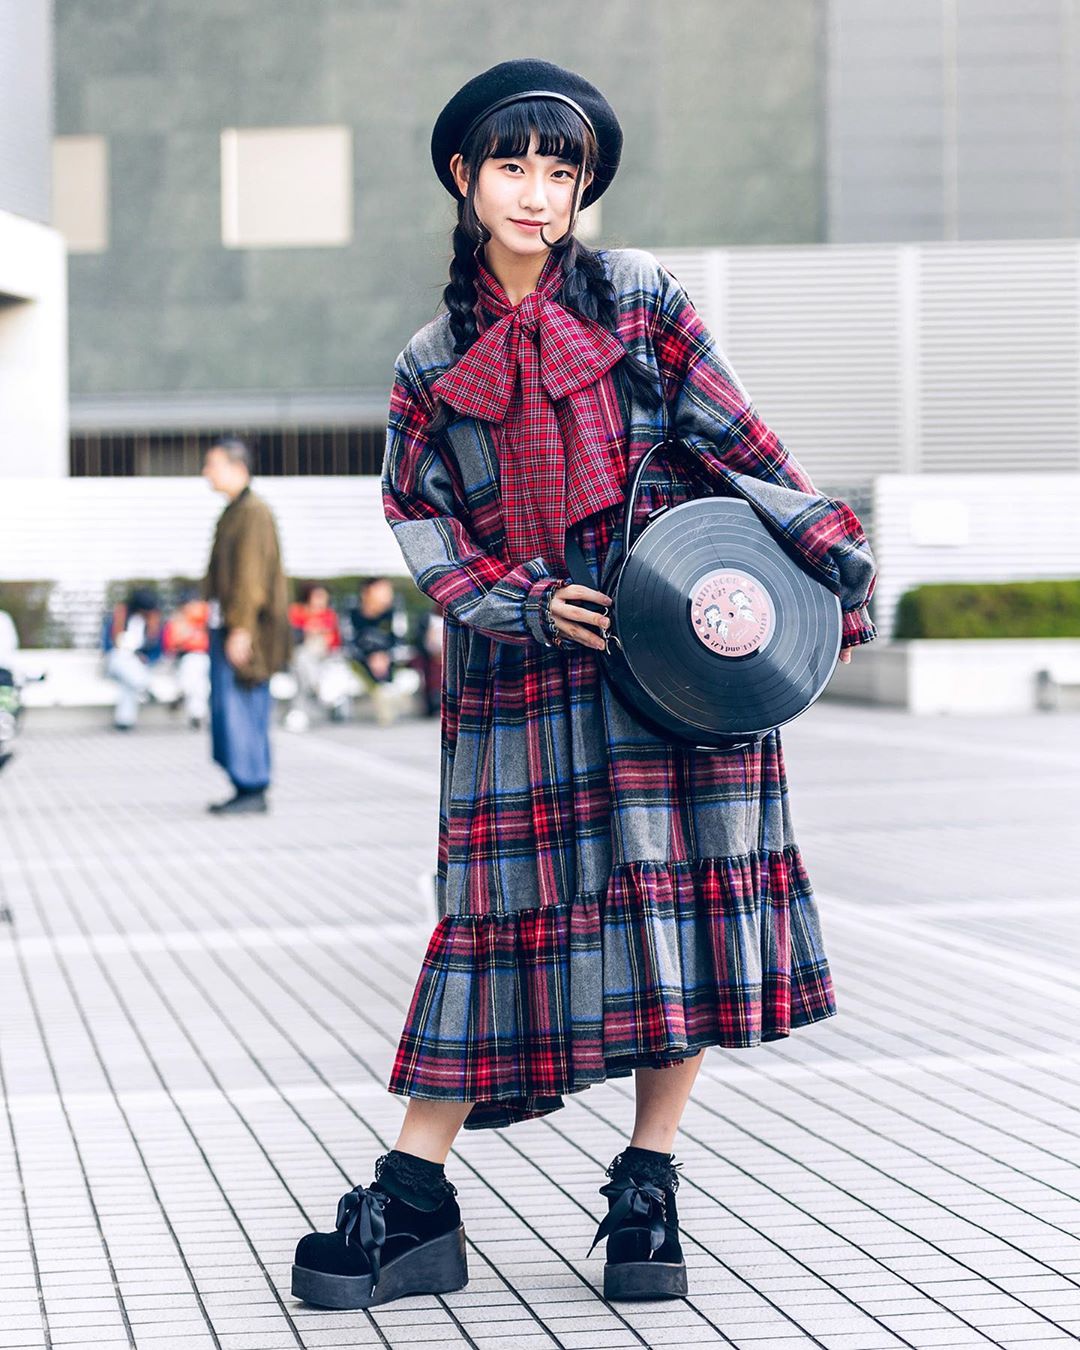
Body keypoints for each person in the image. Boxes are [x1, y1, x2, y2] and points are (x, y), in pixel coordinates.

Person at [292, 59, 878, 1311]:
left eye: (562, 172)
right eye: (513, 165)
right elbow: (419, 514)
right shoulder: (431, 357)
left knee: (680, 915)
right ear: (464, 176)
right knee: (492, 918)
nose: (537, 193)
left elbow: (743, 444)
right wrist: (516, 602)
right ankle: (413, 1202)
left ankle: (648, 1189)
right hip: (525, 681)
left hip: (674, 662)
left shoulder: (643, 302)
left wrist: (831, 566)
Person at [202, 437, 290, 815]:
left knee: (242, 706)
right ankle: (244, 784)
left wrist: (241, 629)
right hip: (233, 625)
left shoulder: (253, 512)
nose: (206, 472)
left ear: (237, 468)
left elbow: (250, 579)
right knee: (229, 707)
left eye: (212, 464)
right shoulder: (236, 510)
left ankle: (252, 784)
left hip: (247, 630)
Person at [103, 587, 164, 731]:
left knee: (128, 682)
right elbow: (107, 647)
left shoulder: (152, 624)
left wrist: (144, 657)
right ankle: (145, 685)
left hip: (137, 665)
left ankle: (124, 721)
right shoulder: (118, 618)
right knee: (122, 658)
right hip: (116, 661)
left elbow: (156, 652)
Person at [345, 576, 401, 726]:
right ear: (366, 593)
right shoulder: (352, 615)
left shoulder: (393, 614)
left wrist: (384, 655)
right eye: (382, 591)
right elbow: (348, 644)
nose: (388, 595)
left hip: (388, 660)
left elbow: (399, 642)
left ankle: (385, 693)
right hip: (360, 661)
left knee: (387, 670)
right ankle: (382, 696)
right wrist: (370, 656)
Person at [163, 591, 211, 729]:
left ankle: (183, 691)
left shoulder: (204, 622)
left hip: (203, 658)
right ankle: (197, 713)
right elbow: (170, 647)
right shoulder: (176, 622)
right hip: (183, 659)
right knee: (196, 673)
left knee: (199, 679)